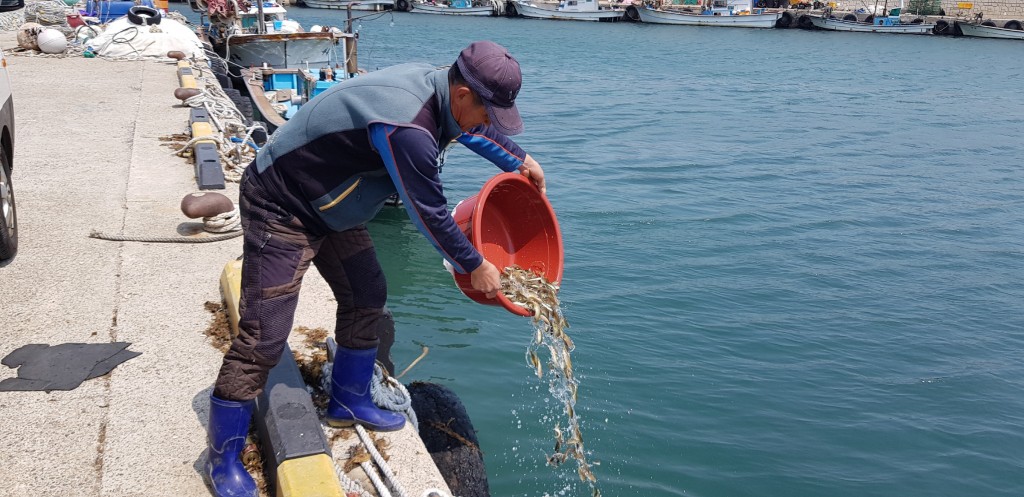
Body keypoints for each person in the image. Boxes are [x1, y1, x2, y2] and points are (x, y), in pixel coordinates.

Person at [204, 41, 546, 497]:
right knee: (264, 336)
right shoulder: (408, 126)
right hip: (282, 204)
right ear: (464, 93)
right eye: (487, 111)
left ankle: (348, 399)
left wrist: (519, 159)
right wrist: (474, 263)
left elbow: (472, 130)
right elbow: (427, 211)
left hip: (331, 203)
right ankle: (221, 458)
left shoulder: (444, 90)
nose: (487, 122)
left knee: (367, 293)